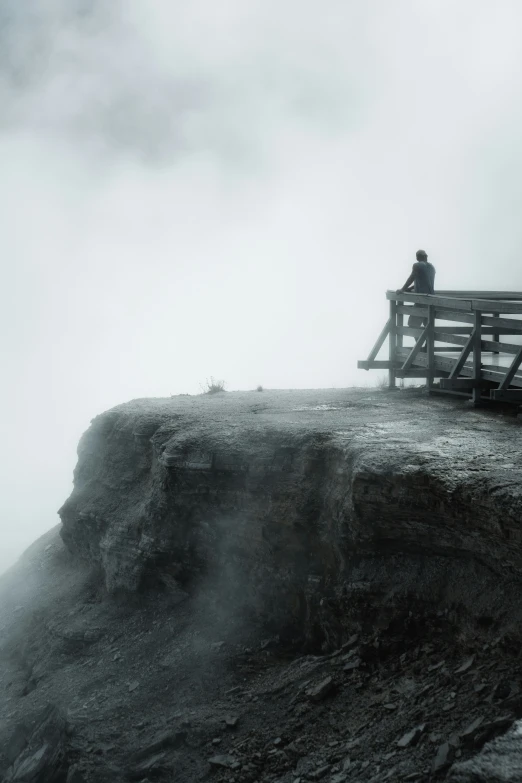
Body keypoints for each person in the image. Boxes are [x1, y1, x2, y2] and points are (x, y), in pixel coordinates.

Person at [398, 250, 436, 327]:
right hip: (431, 301)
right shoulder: (432, 268)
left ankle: (420, 339)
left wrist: (402, 289)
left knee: (412, 324)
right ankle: (424, 339)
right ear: (426, 256)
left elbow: (412, 277)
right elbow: (425, 282)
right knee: (428, 327)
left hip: (421, 300)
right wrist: (409, 288)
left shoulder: (417, 265)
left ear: (418, 257)